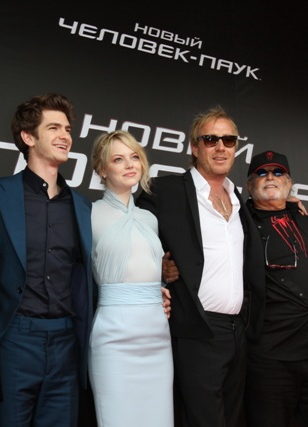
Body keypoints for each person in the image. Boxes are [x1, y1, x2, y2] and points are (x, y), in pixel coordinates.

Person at [137, 106, 264, 427]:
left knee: (232, 419)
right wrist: (156, 268)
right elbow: (131, 240)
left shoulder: (238, 199)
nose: (221, 147)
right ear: (194, 147)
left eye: (229, 140)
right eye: (210, 139)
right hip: (196, 327)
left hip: (238, 331)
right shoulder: (165, 190)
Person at [0, 93, 93, 427]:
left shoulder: (83, 207)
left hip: (67, 341)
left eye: (67, 129)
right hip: (14, 338)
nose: (65, 136)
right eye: (53, 128)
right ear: (28, 137)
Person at [243, 150, 308, 427]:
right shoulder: (238, 224)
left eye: (278, 173)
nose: (271, 177)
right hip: (270, 358)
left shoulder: (300, 215)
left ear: (289, 184)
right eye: (262, 173)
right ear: (250, 185)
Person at [89, 130, 173, 427]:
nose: (129, 164)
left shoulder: (150, 219)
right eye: (118, 159)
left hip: (157, 333)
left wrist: (160, 289)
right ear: (102, 169)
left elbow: (150, 268)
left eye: (134, 157)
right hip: (112, 335)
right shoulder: (88, 214)